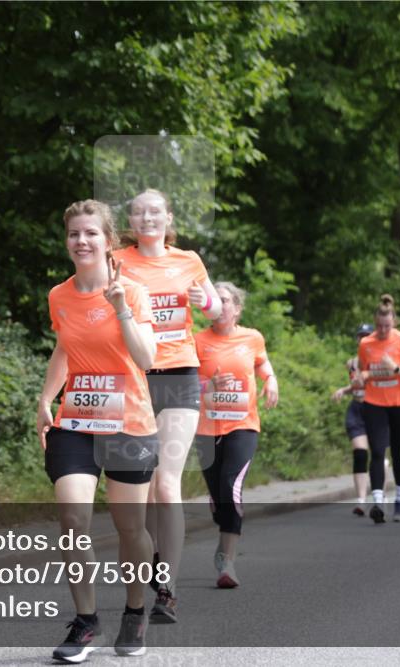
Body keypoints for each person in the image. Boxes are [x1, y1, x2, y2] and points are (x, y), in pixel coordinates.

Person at [36, 200, 159, 663]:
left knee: (131, 529)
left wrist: (122, 308)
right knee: (73, 520)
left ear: (108, 241)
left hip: (129, 423)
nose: (81, 241)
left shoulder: (134, 290)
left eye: (91, 233)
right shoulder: (59, 295)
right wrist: (45, 400)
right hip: (76, 423)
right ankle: (86, 621)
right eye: (74, 234)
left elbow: (146, 359)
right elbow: (64, 349)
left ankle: (135, 609)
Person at [114, 189, 222, 624]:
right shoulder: (117, 260)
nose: (147, 217)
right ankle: (148, 572)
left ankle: (168, 589)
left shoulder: (189, 261)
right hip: (133, 378)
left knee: (165, 485)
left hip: (178, 375)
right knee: (138, 495)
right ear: (131, 221)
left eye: (155, 211)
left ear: (168, 218)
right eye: (139, 211)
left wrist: (206, 302)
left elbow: (215, 310)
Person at [193, 282, 278, 588]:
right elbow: (185, 388)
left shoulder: (252, 337)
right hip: (205, 429)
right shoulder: (197, 341)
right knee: (218, 495)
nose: (219, 304)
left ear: (237, 308)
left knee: (232, 487)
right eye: (214, 299)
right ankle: (223, 525)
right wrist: (209, 387)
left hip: (243, 425)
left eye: (225, 300)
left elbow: (263, 363)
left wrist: (271, 380)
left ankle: (228, 562)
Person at [356, 295, 400, 523]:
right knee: (378, 452)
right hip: (374, 404)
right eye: (380, 326)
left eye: (387, 326)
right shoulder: (366, 344)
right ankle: (378, 502)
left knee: (398, 453)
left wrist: (395, 368)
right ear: (374, 322)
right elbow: (364, 372)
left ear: (394, 322)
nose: (383, 330)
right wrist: (361, 377)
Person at [331, 323, 375, 515]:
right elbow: (356, 386)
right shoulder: (351, 363)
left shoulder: (377, 362)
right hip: (356, 409)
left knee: (378, 455)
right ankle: (361, 500)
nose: (363, 340)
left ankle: (379, 492)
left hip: (375, 409)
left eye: (367, 336)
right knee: (360, 453)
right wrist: (344, 389)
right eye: (360, 336)